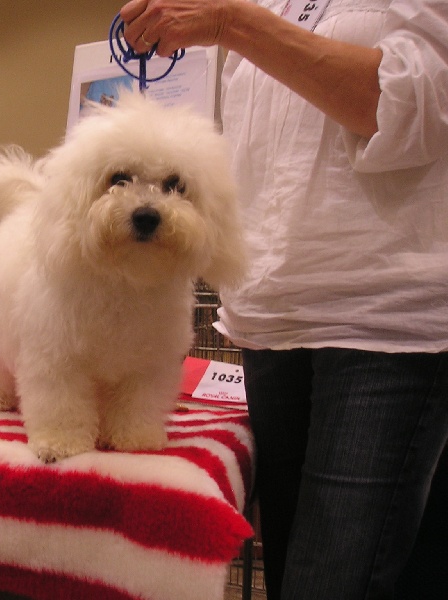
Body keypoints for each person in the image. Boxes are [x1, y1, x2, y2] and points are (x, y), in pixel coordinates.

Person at [119, 1, 448, 599]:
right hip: (273, 318)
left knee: (330, 582)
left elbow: (418, 103)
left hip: (382, 317)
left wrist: (233, 25)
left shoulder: (245, 15)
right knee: (291, 570)